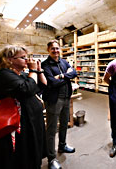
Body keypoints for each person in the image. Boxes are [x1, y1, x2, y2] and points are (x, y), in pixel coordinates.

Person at [0, 45, 47, 169]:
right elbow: (27, 89)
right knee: (18, 159)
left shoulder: (21, 75)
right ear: (9, 59)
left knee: (30, 155)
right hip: (15, 126)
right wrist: (32, 71)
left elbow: (42, 86)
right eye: (23, 57)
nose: (27, 60)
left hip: (29, 124)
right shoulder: (3, 75)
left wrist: (39, 70)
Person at [42, 40, 78, 169]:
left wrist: (61, 76)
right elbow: (51, 83)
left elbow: (74, 73)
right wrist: (66, 76)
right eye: (53, 48)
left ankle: (62, 145)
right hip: (54, 100)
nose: (55, 51)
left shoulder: (63, 62)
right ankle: (51, 158)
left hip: (66, 97)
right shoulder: (45, 65)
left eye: (57, 48)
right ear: (48, 50)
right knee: (51, 129)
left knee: (64, 124)